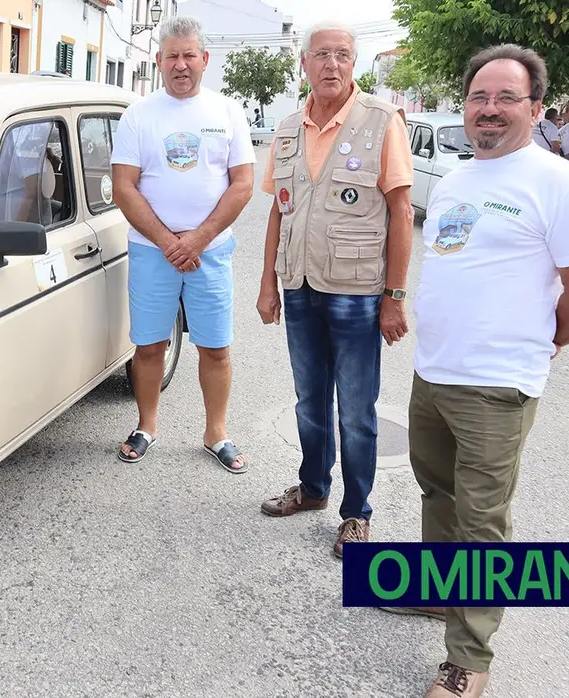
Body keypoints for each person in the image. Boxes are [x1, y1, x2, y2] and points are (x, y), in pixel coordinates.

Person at [386, 44, 569, 697]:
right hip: (435, 371)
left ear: (535, 108)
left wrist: (539, 343)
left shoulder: (561, 185)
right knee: (439, 495)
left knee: (483, 520)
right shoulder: (457, 180)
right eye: (480, 97)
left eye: (506, 97)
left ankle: (469, 659)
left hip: (498, 384)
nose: (490, 109)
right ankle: (436, 593)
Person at [255, 19, 414, 558]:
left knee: (357, 410)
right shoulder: (285, 128)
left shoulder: (380, 121)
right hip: (298, 284)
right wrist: (267, 283)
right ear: (304, 63)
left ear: (354, 63)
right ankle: (315, 488)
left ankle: (357, 513)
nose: (332, 65)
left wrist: (394, 296)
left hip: (356, 290)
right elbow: (279, 211)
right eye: (322, 55)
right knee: (308, 401)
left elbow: (400, 211)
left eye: (343, 55)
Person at [109, 16, 255, 473]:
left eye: (189, 54)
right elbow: (124, 187)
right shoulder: (139, 114)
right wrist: (170, 242)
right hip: (153, 252)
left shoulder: (227, 112)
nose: (181, 64)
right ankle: (146, 425)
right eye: (172, 55)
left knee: (216, 348)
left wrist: (197, 239)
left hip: (209, 252)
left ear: (205, 60)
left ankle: (216, 433)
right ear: (159, 61)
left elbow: (243, 184)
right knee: (150, 345)